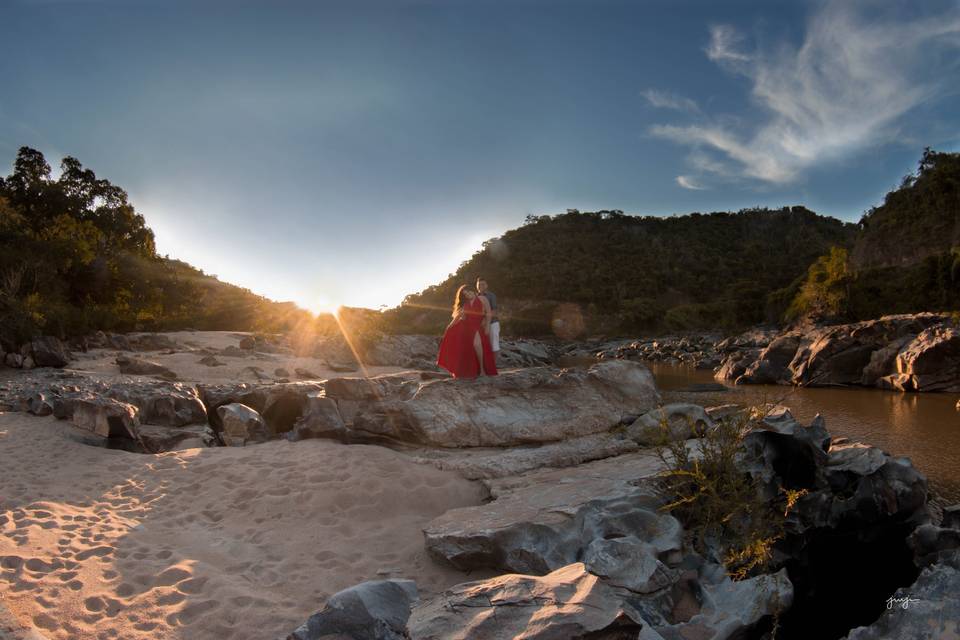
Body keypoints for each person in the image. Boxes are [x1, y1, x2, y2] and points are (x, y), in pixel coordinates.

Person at [437, 284, 498, 379]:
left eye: (468, 292)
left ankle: (482, 370)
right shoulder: (465, 304)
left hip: (477, 326)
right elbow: (458, 317)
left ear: (473, 290)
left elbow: (488, 313)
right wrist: (449, 326)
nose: (468, 295)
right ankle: (466, 370)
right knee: (466, 347)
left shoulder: (482, 299)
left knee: (477, 344)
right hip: (466, 327)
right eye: (465, 294)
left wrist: (487, 327)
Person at [476, 277, 500, 362]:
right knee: (484, 345)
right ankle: (486, 365)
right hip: (480, 325)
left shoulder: (491, 295)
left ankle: (494, 365)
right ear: (476, 286)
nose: (480, 286)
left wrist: (486, 321)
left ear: (486, 285)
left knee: (494, 344)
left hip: (493, 323)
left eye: (483, 284)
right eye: (479, 284)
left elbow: (494, 310)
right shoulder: (475, 296)